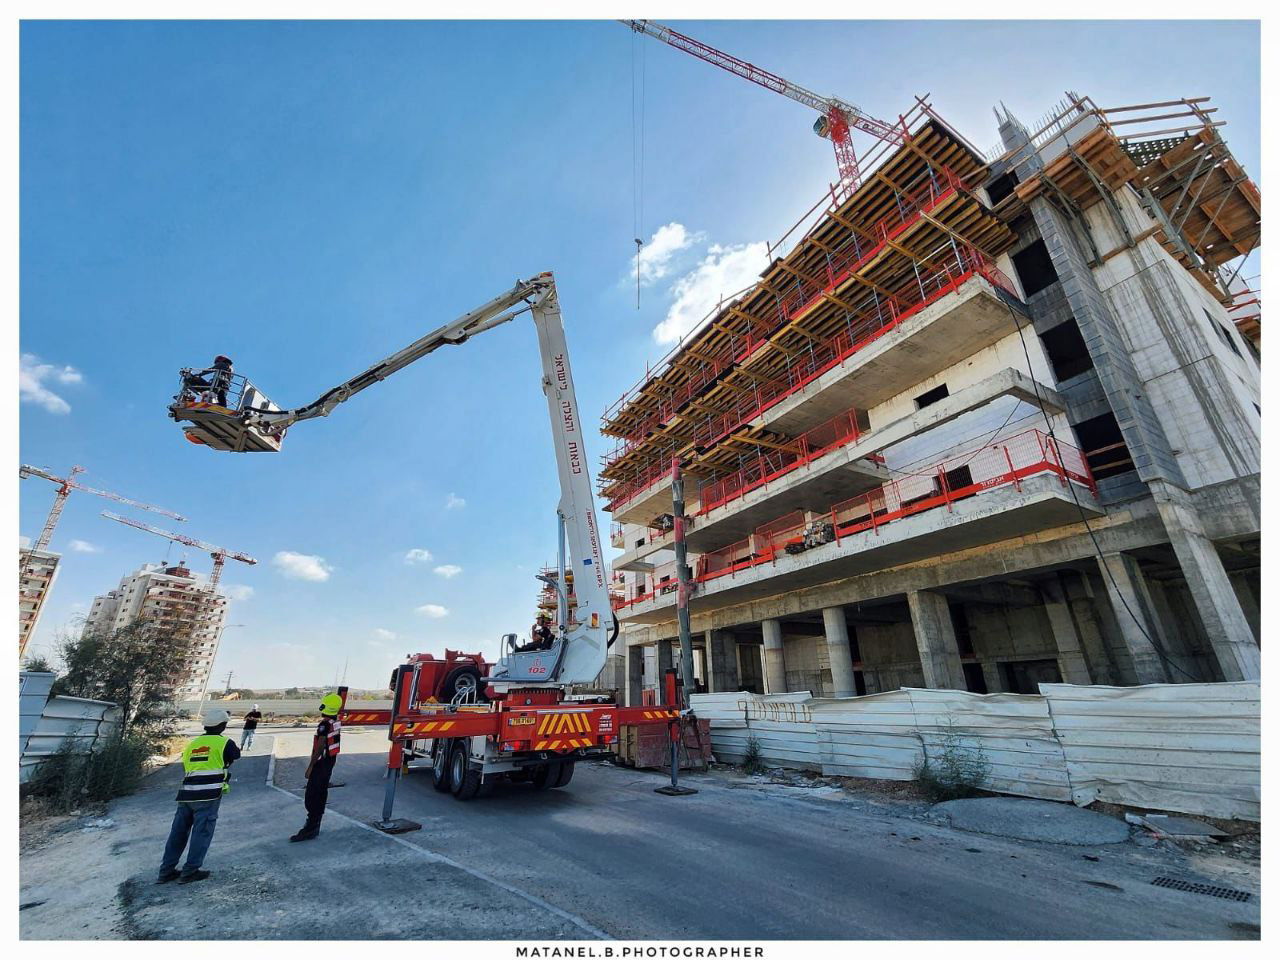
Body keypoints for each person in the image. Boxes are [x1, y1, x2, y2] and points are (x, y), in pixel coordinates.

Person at [157, 707, 240, 885]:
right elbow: (236, 755)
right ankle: (190, 871)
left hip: (186, 794)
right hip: (209, 795)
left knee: (178, 833)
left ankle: (166, 871)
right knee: (201, 833)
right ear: (223, 725)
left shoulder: (192, 744)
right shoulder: (225, 742)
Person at [289, 693, 343, 843]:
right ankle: (314, 826)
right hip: (329, 762)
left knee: (313, 795)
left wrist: (310, 767)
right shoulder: (335, 722)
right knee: (320, 792)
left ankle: (310, 828)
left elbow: (320, 747)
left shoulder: (325, 725)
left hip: (321, 763)